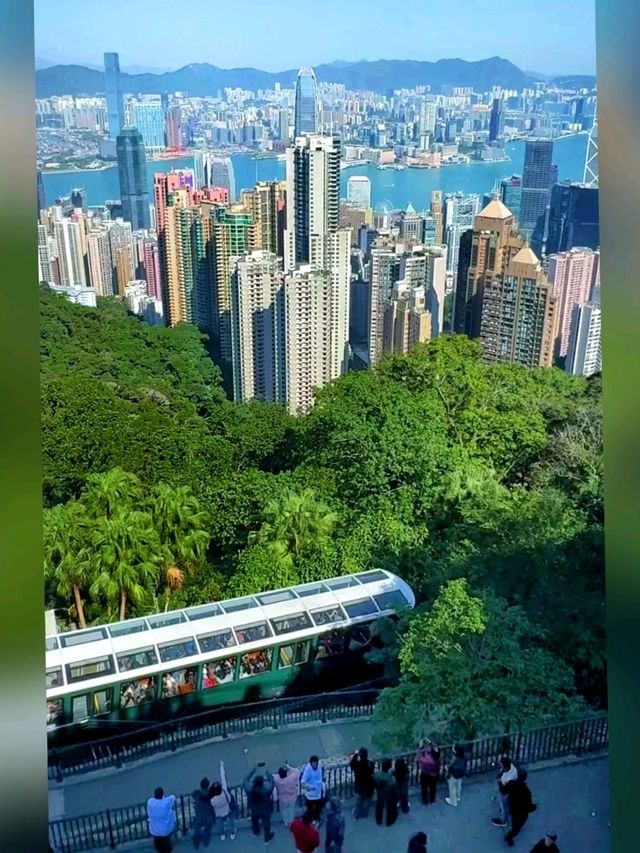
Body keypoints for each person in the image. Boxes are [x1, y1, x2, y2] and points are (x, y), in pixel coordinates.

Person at [503, 769, 536, 847]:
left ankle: (510, 831)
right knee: (516, 828)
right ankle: (509, 837)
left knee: (513, 820)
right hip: (521, 813)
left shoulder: (511, 784)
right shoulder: (526, 792)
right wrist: (534, 807)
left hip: (512, 806)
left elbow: (504, 790)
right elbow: (529, 807)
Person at [244, 763, 275, 844]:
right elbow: (272, 782)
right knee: (266, 823)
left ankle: (256, 832)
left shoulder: (250, 789)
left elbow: (245, 780)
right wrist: (268, 772)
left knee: (254, 821)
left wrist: (253, 770)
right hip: (265, 809)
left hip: (254, 809)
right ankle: (267, 838)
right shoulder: (266, 789)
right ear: (262, 783)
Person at [147, 787, 176, 853]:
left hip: (154, 830)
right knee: (166, 840)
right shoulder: (166, 802)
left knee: (157, 841)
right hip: (166, 829)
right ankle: (167, 848)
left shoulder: (150, 802)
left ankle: (159, 848)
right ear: (162, 795)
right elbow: (173, 797)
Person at [491, 757, 518, 828]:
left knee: (504, 807)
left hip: (507, 793)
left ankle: (503, 821)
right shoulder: (512, 767)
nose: (499, 765)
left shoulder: (508, 778)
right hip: (511, 790)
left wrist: (500, 785)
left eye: (501, 764)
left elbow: (504, 791)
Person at [349, 748, 376, 819]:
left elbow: (351, 763)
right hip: (368, 785)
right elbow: (372, 770)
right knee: (367, 800)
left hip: (359, 785)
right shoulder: (370, 764)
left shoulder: (357, 765)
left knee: (359, 801)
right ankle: (365, 814)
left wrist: (355, 754)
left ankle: (357, 815)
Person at [373, 758, 398, 827]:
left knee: (379, 807)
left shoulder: (377, 774)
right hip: (389, 795)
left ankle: (378, 821)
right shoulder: (391, 778)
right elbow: (394, 786)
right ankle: (389, 822)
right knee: (390, 808)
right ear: (389, 767)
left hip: (380, 794)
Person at [191, 777, 215, 849]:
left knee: (197, 830)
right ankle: (205, 842)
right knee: (207, 830)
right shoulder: (210, 794)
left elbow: (193, 794)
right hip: (207, 816)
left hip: (198, 815)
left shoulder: (197, 793)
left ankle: (196, 843)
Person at [301, 756, 325, 823]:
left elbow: (322, 768)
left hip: (318, 792)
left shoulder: (319, 764)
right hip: (310, 794)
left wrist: (323, 776)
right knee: (310, 808)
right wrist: (310, 788)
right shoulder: (307, 770)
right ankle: (311, 818)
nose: (314, 764)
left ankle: (316, 817)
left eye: (315, 763)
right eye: (313, 763)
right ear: (310, 763)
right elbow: (302, 783)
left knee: (319, 806)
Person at [416, 741, 440, 806]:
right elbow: (436, 749)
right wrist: (431, 743)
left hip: (425, 775)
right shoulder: (437, 758)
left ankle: (425, 801)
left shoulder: (426, 760)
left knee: (424, 788)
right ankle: (432, 800)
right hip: (434, 775)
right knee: (433, 788)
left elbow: (418, 757)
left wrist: (420, 748)